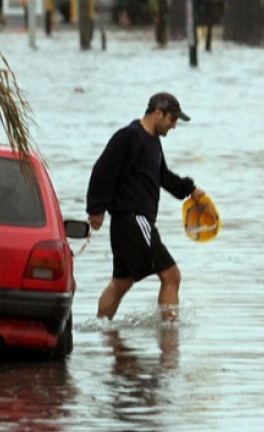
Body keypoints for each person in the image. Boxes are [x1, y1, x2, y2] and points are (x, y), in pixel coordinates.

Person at [86, 92, 205, 323]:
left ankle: (101, 329)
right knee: (172, 276)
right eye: (172, 119)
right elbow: (102, 170)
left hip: (129, 224)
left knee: (122, 282)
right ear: (158, 113)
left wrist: (190, 189)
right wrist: (96, 209)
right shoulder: (129, 137)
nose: (174, 126)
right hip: (133, 220)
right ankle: (170, 339)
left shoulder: (153, 143)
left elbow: (164, 177)